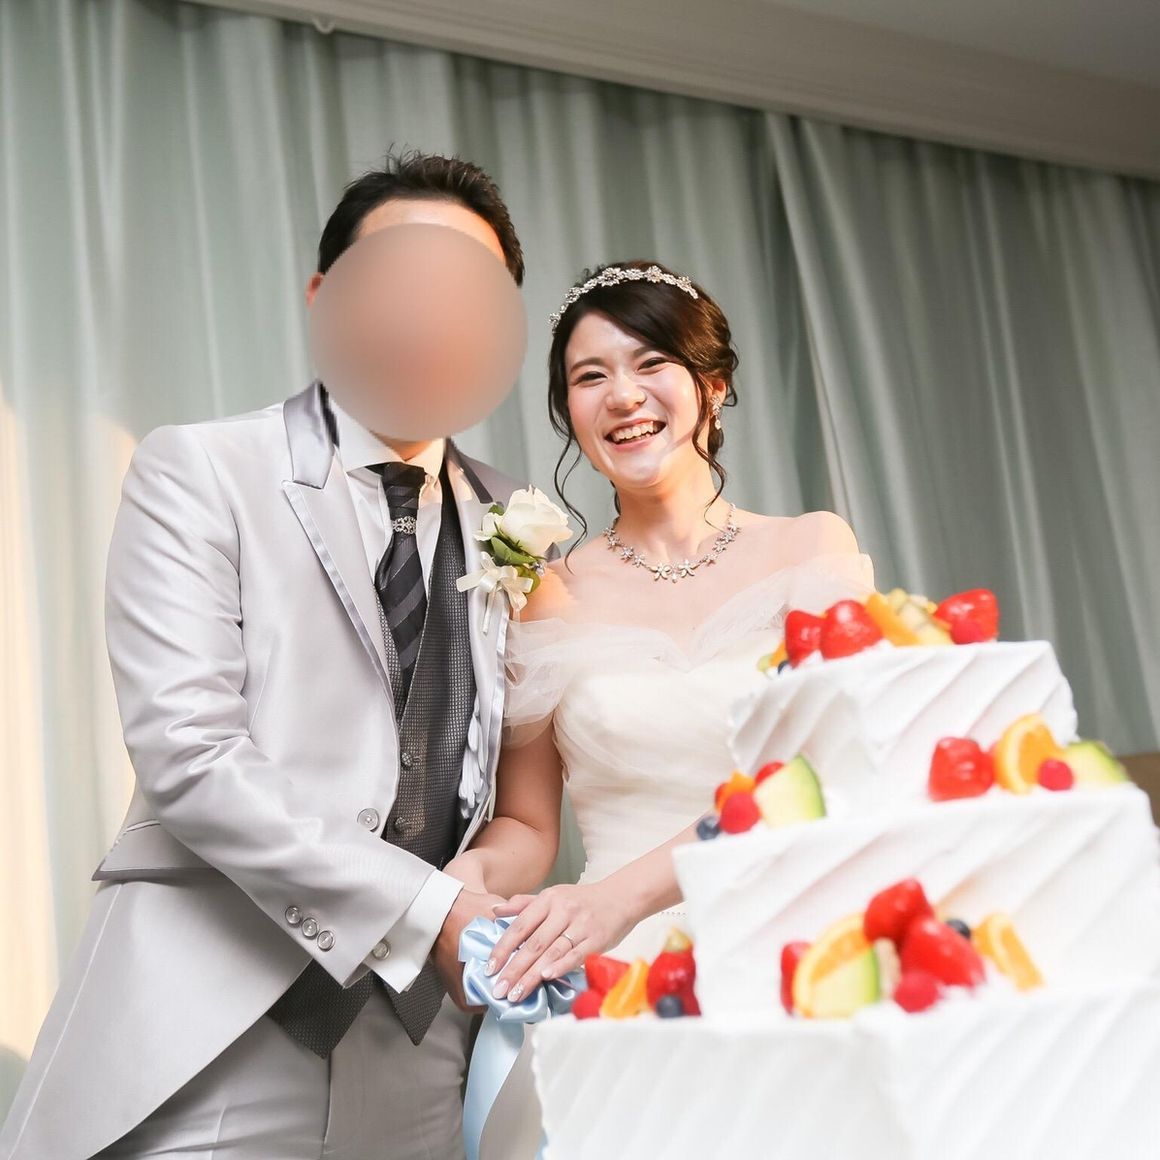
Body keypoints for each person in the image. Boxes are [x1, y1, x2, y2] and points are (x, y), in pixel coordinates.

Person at [1, 152, 529, 1160]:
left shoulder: (518, 520)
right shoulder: (199, 468)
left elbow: (512, 788)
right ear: (325, 297)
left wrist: (476, 905)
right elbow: (190, 754)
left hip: (422, 1045)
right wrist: (431, 910)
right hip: (214, 1019)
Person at [445, 260, 874, 1156]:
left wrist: (617, 900)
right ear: (569, 413)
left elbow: (826, 777)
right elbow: (528, 823)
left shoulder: (812, 550)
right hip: (622, 973)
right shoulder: (541, 591)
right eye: (589, 376)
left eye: (651, 363)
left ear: (711, 385)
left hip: (802, 947)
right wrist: (457, 892)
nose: (623, 395)